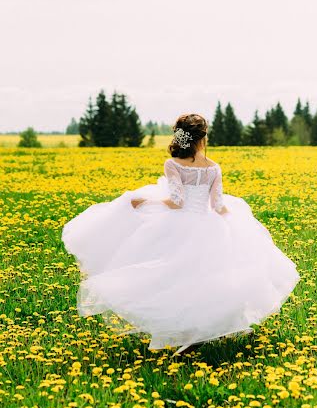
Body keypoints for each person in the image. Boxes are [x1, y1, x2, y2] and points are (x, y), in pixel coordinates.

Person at [61, 113, 300, 356]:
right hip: (209, 225)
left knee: (171, 277)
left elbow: (176, 201)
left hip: (179, 224)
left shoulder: (173, 164)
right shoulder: (213, 167)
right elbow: (218, 205)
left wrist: (145, 202)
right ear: (202, 138)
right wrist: (239, 221)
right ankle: (204, 329)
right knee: (208, 278)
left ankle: (188, 331)